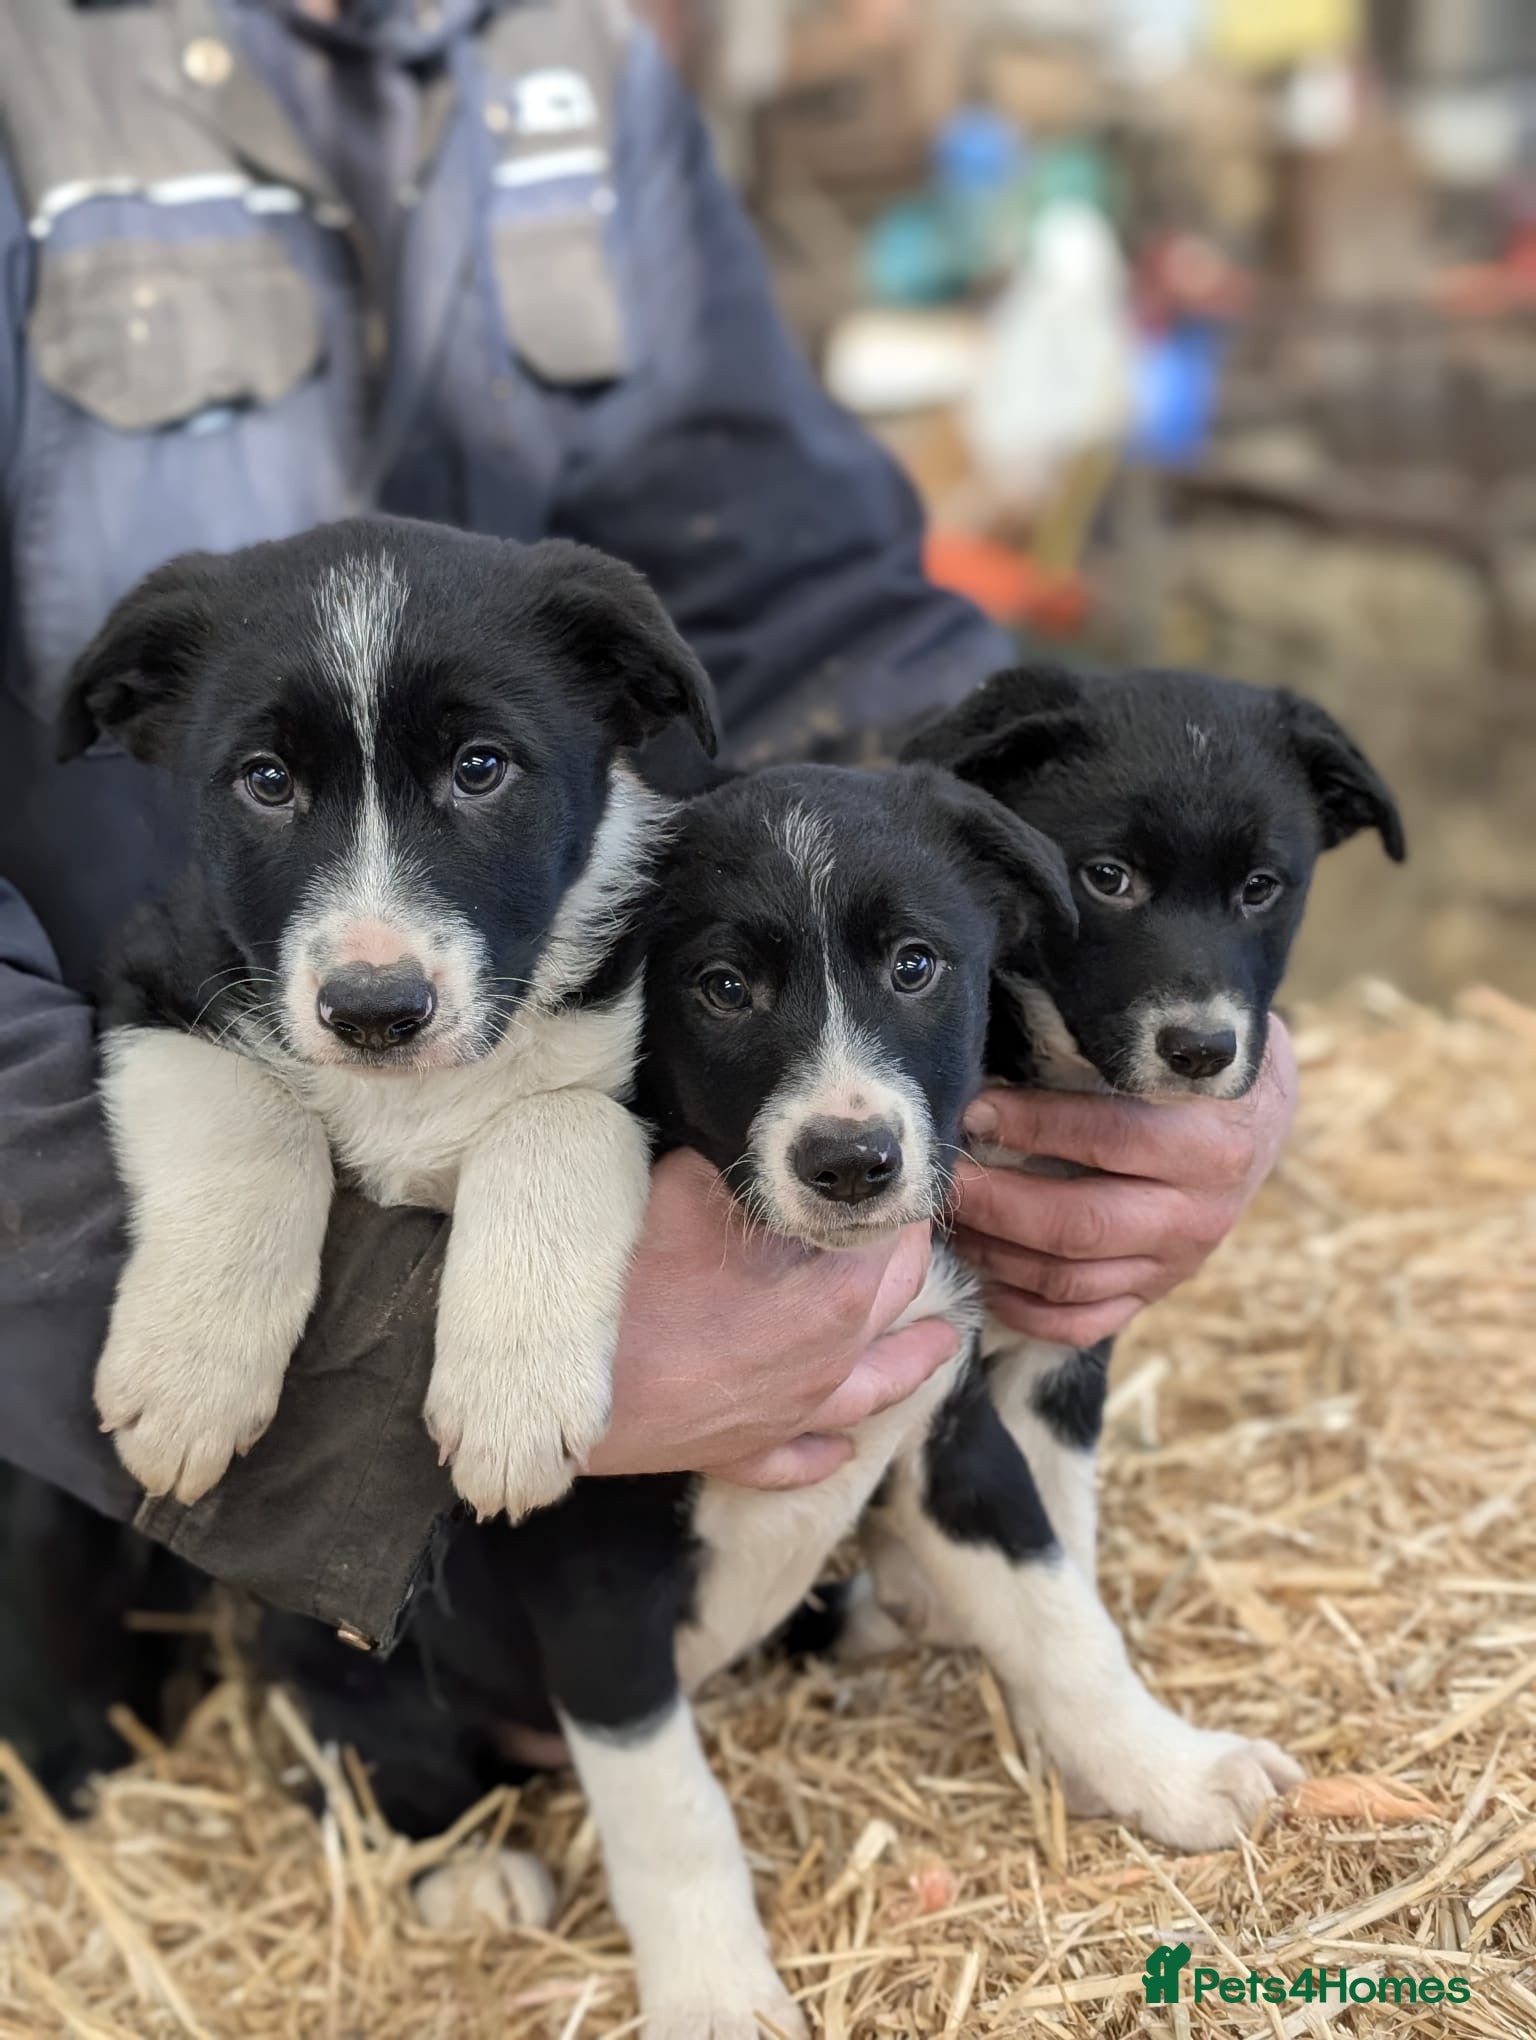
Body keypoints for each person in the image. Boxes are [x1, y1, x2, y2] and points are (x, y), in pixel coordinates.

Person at [0, 0, 1295, 1783]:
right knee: (88, 1759)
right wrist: (340, 1332)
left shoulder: (575, 71)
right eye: (278, 780)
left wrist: (1113, 968)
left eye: (473, 776)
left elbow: (809, 610)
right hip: (69, 1346)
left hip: (608, 1495)